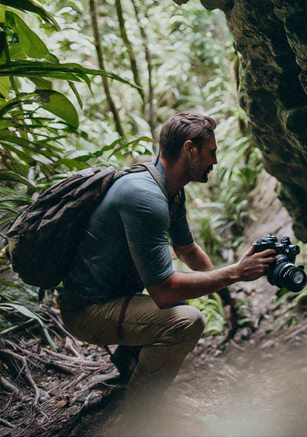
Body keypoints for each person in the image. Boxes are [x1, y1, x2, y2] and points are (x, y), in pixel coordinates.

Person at [59, 111, 275, 402]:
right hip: (86, 311)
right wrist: (236, 271)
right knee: (187, 320)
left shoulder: (170, 190)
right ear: (189, 149)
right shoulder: (144, 197)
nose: (214, 161)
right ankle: (140, 410)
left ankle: (129, 364)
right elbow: (163, 292)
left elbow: (187, 250)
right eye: (211, 152)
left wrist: (226, 294)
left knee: (182, 301)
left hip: (114, 300)